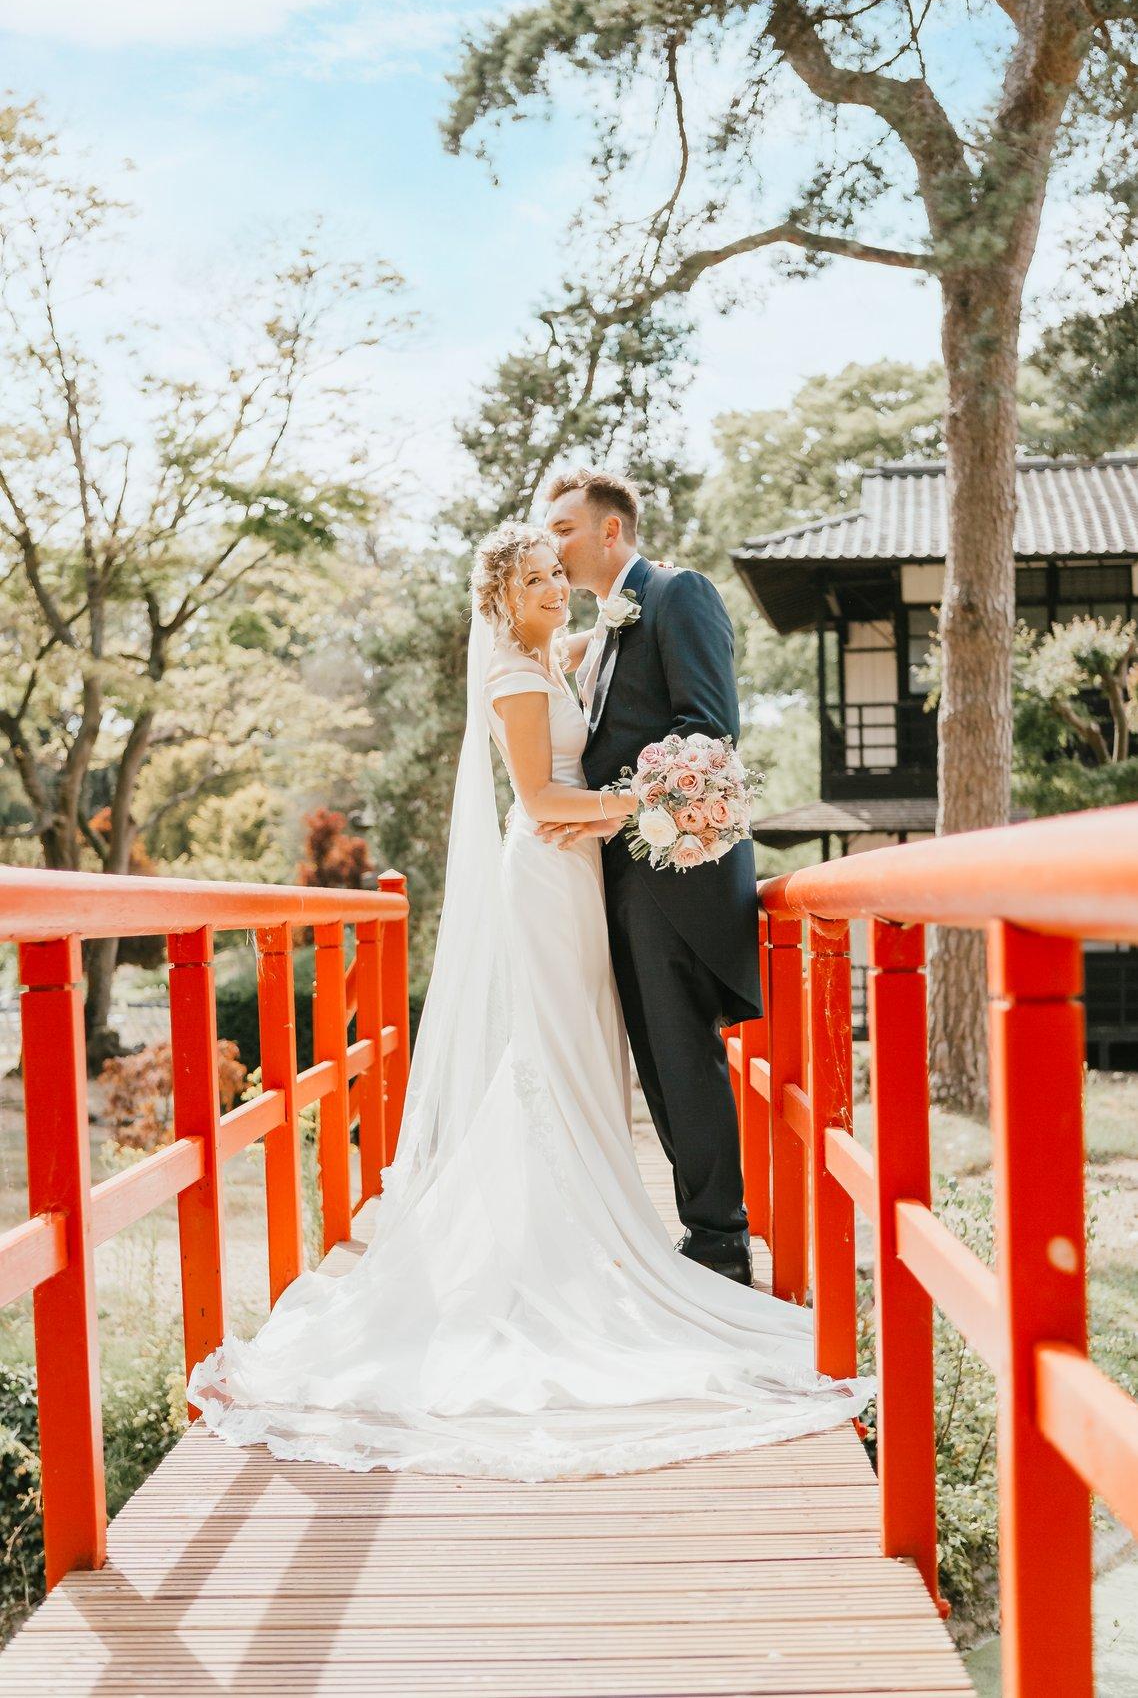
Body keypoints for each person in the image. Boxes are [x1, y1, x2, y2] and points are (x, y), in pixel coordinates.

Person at [186, 516, 874, 1481]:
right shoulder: (514, 676)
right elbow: (543, 804)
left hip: (584, 881)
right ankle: (557, 1245)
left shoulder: (567, 658)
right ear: (503, 600)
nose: (557, 587)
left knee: (587, 1050)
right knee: (550, 1055)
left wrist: (658, 778)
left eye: (560, 571)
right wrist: (649, 801)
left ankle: (604, 1226)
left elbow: (638, 718)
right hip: (551, 871)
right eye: (538, 578)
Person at [543, 468, 760, 1286]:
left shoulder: (678, 594)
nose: (553, 543)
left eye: (564, 528)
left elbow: (707, 729)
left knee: (681, 1057)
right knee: (662, 1065)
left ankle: (720, 1243)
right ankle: (706, 1232)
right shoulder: (602, 629)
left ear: (610, 532)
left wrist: (609, 807)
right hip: (625, 880)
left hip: (674, 875)